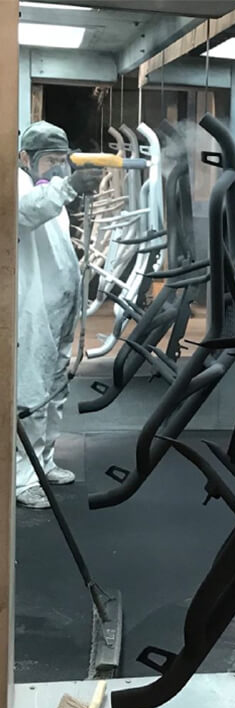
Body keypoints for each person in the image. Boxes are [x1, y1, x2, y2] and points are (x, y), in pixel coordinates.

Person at [16, 120, 101, 509]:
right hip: (33, 313)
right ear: (25, 158)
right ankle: (23, 479)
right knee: (32, 395)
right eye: (50, 159)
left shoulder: (50, 191)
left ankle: (44, 462)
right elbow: (26, 212)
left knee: (55, 393)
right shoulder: (18, 185)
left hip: (61, 310)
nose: (57, 167)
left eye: (62, 159)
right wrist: (68, 186)